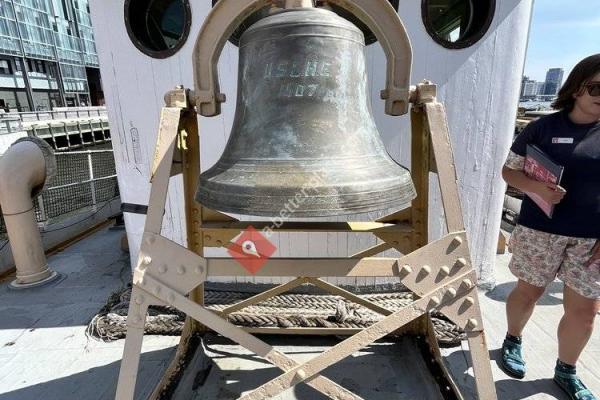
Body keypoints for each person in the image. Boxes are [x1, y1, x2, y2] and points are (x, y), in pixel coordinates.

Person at [501, 54, 600, 400]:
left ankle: (566, 370)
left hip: (592, 239)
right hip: (540, 231)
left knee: (586, 310)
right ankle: (513, 338)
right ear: (577, 88)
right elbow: (509, 172)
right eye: (597, 87)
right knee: (529, 292)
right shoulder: (542, 127)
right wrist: (536, 187)